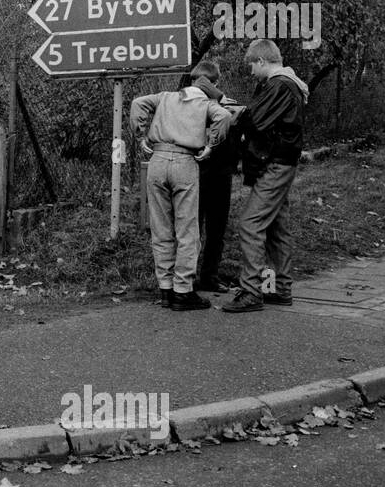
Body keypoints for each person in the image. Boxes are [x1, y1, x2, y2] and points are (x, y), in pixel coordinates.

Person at [130, 71, 233, 310]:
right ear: (210, 88)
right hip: (185, 162)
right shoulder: (207, 104)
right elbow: (225, 117)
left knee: (160, 227)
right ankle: (183, 290)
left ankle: (165, 288)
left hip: (157, 159)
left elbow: (137, 103)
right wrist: (211, 145)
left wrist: (140, 135)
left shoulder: (164, 97)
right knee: (187, 229)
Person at [222, 38, 309, 313]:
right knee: (276, 226)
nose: (250, 72)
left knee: (250, 224)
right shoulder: (288, 84)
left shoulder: (279, 84)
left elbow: (257, 120)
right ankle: (281, 289)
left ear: (262, 61)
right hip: (283, 162)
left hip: (275, 164)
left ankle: (250, 292)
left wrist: (235, 114)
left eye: (252, 66)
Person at [187, 60, 243, 293]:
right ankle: (201, 276)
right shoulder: (224, 106)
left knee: (205, 228)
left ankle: (202, 276)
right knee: (203, 228)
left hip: (207, 172)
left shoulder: (225, 107)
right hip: (212, 173)